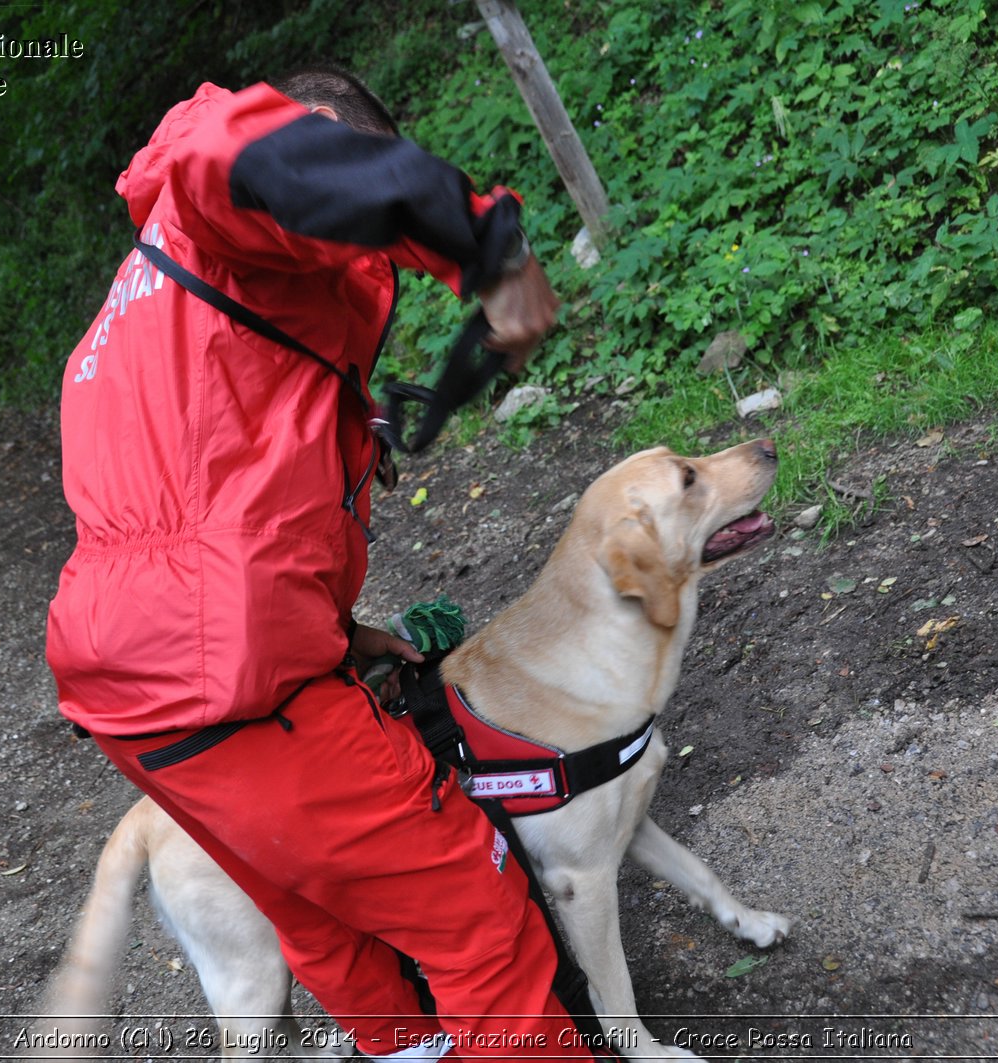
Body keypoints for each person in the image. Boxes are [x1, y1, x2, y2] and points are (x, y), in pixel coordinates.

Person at [44, 66, 590, 1061]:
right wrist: (489, 250)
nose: (357, 234)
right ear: (319, 142)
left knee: (315, 916)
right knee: (476, 915)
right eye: (360, 168)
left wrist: (338, 634)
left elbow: (211, 504)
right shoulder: (217, 191)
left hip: (129, 688)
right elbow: (247, 151)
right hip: (228, 686)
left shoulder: (161, 308)